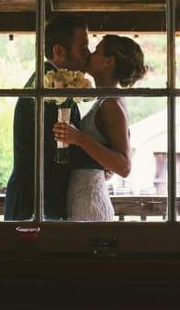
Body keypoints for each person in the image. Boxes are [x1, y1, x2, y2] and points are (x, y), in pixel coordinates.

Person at [4, 15, 90, 221]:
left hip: (42, 200)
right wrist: (103, 161)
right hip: (35, 203)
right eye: (83, 48)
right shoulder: (45, 87)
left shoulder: (53, 81)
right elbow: (59, 146)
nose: (88, 55)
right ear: (59, 51)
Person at [53, 35, 147, 221]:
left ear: (109, 61)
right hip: (83, 195)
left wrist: (79, 138)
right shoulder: (106, 99)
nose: (90, 54)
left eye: (96, 51)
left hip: (89, 205)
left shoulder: (110, 103)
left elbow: (124, 166)